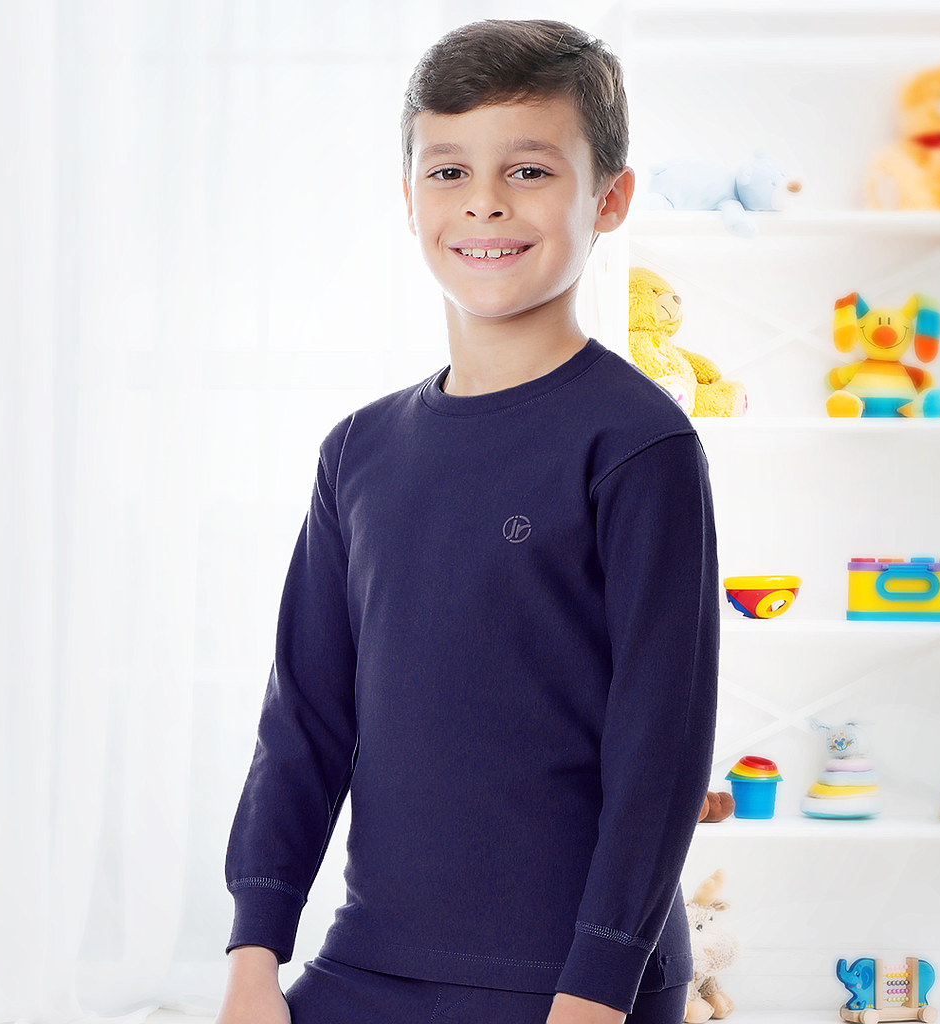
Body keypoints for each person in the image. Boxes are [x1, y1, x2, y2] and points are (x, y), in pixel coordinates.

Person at [215, 19, 718, 1024]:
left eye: (528, 169)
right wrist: (253, 953)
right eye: (448, 171)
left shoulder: (639, 444)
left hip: (579, 981)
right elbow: (305, 720)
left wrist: (596, 989)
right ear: (410, 200)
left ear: (609, 200)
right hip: (370, 964)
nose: (485, 200)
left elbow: (660, 747)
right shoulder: (358, 452)